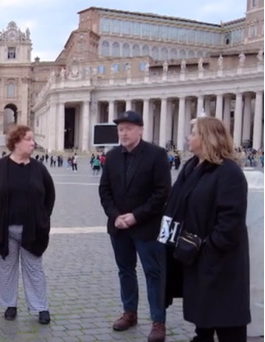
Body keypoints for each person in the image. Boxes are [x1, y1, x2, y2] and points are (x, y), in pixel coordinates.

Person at [162, 117, 250, 342]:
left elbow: (231, 221)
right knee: (203, 317)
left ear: (207, 138)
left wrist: (208, 247)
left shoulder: (229, 172)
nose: (188, 137)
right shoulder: (190, 167)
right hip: (194, 255)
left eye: (193, 133)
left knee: (227, 320)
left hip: (220, 261)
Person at [98, 110, 171, 342]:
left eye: (128, 128)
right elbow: (104, 191)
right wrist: (116, 215)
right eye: (120, 129)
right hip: (119, 227)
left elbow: (162, 193)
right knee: (125, 271)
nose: (123, 133)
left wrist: (136, 216)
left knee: (153, 273)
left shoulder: (157, 155)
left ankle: (158, 322)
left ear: (140, 129)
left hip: (147, 227)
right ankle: (130, 313)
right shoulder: (112, 156)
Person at [0, 125, 55, 324]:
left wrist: (43, 220)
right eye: (29, 139)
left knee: (34, 269)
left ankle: (41, 307)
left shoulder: (39, 168)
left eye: (32, 139)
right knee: (5, 269)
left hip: (31, 230)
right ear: (16, 142)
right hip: (5, 230)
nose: (33, 143)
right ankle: (10, 304)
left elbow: (50, 196)